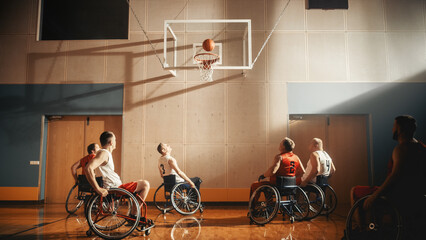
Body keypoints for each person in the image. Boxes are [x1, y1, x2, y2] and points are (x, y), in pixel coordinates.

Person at [363, 115, 426, 239]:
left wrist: (375, 196)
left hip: (398, 196)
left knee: (357, 194)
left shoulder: (401, 149)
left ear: (400, 130)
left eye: (394, 127)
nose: (392, 129)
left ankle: (368, 232)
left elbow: (395, 176)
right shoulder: (421, 147)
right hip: (417, 195)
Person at [85, 131, 150, 202]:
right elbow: (88, 168)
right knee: (145, 184)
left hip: (114, 187)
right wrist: (97, 188)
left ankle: (134, 212)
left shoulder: (104, 153)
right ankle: (133, 213)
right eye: (115, 140)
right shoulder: (104, 153)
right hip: (114, 189)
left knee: (140, 182)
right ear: (111, 142)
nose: (116, 141)